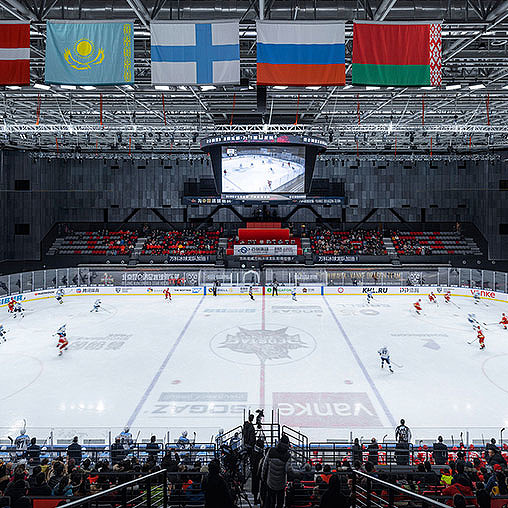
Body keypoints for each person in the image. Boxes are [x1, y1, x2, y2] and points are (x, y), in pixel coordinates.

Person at [262, 434, 295, 508]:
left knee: (271, 502)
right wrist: (299, 474)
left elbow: (264, 465)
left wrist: (263, 477)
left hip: (270, 482)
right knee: (280, 503)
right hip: (281, 484)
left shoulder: (271, 451)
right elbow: (288, 470)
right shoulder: (287, 455)